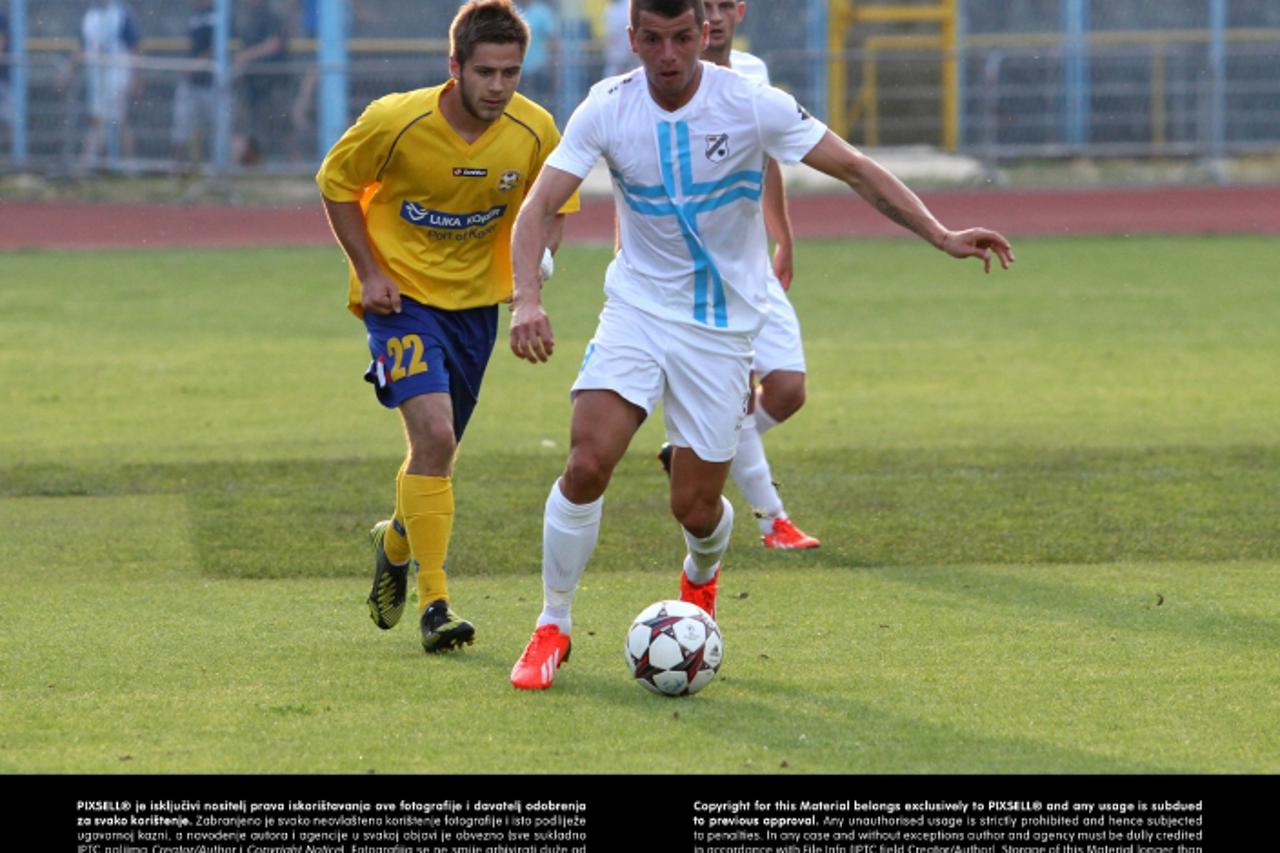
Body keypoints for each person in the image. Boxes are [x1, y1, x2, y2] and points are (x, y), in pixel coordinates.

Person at [506, 0, 1013, 689]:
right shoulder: (606, 106)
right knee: (588, 460)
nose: (668, 55)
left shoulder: (751, 102)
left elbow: (857, 168)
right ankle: (551, 625)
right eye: (652, 40)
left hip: (720, 330)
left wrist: (942, 233)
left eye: (682, 37)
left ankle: (701, 577)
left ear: (703, 31)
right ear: (632, 38)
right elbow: (536, 207)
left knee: (695, 507)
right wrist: (528, 300)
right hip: (636, 311)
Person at [315, 0, 577, 654]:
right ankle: (436, 603)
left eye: (510, 72)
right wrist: (369, 271)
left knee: (439, 452)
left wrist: (530, 291)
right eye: (485, 72)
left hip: (475, 309)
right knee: (432, 433)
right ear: (453, 66)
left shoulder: (535, 130)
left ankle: (396, 540)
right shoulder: (395, 120)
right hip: (398, 298)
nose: (497, 87)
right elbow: (336, 182)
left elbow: (553, 208)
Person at [658, 0, 820, 550]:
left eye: (726, 4)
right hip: (690, 278)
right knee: (733, 398)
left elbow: (766, 160)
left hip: (748, 264)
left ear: (739, 11)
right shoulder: (658, 79)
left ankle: (694, 452)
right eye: (709, 6)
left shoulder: (752, 76)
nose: (718, 16)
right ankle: (772, 519)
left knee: (789, 388)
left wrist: (784, 234)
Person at [69, 0, 140, 169]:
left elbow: (134, 46)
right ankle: (96, 164)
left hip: (117, 76)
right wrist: (69, 72)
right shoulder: (90, 15)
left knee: (118, 121)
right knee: (97, 119)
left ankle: (128, 165)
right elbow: (80, 46)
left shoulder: (121, 14)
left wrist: (136, 78)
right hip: (96, 78)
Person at [233, 0, 288, 165]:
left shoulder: (270, 16)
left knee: (283, 127)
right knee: (253, 128)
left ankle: (294, 165)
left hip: (274, 83)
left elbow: (273, 44)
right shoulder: (247, 18)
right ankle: (255, 166)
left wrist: (246, 56)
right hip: (253, 85)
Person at [171, 0, 217, 168]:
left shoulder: (218, 16)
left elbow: (217, 48)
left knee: (217, 130)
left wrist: (196, 65)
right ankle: (179, 168)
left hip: (212, 84)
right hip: (191, 84)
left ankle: (218, 167)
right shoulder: (195, 17)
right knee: (182, 129)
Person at [517, 1, 557, 109]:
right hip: (518, 70)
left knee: (541, 104)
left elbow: (552, 39)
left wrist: (554, 66)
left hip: (540, 68)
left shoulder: (542, 12)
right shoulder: (513, 10)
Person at [601, 0, 635, 78]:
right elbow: (610, 36)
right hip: (615, 57)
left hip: (631, 55)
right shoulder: (609, 8)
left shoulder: (629, 5)